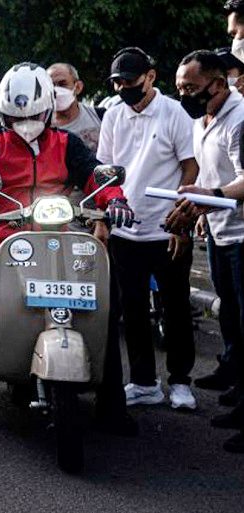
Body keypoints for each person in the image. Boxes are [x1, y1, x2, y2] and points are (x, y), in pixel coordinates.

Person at [0, 62, 136, 435]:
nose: (25, 124)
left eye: (33, 116)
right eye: (14, 117)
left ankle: (112, 405)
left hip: (65, 232)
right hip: (5, 239)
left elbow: (96, 174)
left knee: (109, 302)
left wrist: (116, 198)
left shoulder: (67, 143)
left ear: (47, 110)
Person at [98, 47, 199, 411]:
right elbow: (105, 171)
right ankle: (143, 382)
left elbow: (190, 167)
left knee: (175, 308)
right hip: (126, 229)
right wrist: (101, 219)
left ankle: (181, 382)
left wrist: (182, 219)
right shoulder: (113, 115)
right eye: (117, 82)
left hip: (167, 228)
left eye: (129, 81)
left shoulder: (174, 112)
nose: (123, 88)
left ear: (151, 77)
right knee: (133, 308)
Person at [167, 50, 244, 452]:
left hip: (242, 235)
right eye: (179, 87)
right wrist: (204, 211)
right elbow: (211, 169)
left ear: (218, 84)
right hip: (219, 230)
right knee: (230, 317)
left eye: (191, 88)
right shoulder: (202, 117)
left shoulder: (241, 119)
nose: (184, 95)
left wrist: (211, 196)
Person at [48, 62, 104, 153]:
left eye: (62, 84)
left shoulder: (100, 117)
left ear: (78, 87)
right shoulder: (42, 128)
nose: (56, 90)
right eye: (51, 85)